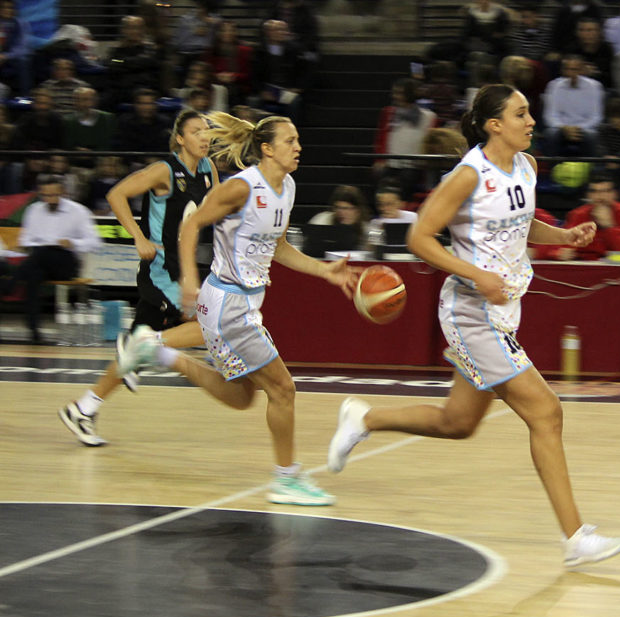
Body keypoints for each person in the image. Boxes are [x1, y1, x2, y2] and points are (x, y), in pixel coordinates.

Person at [327, 84, 620, 568]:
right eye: (521, 113)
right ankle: (575, 538)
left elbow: (523, 223)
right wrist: (475, 274)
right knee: (547, 412)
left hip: (504, 311)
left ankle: (364, 419)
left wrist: (564, 236)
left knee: (458, 423)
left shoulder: (527, 167)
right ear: (495, 125)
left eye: (529, 112)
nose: (531, 121)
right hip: (470, 311)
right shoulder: (468, 175)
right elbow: (419, 237)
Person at [115, 112, 360, 506]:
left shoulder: (288, 187)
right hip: (228, 303)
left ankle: (155, 349)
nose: (298, 147)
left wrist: (323, 271)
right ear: (266, 149)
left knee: (244, 396)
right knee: (283, 389)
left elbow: (277, 247)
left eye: (298, 140)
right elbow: (190, 228)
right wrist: (190, 282)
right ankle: (287, 479)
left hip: (243, 303)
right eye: (290, 141)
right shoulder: (241, 188)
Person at [59, 110, 218, 447]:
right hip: (160, 271)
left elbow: (217, 210)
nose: (204, 136)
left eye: (207, 130)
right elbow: (116, 194)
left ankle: (84, 408)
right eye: (196, 131)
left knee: (135, 353)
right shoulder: (164, 170)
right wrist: (138, 237)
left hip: (186, 266)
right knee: (204, 324)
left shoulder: (208, 170)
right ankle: (143, 347)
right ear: (180, 139)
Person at [1, 174, 101, 344]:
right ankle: (34, 332)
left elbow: (95, 242)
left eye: (54, 195)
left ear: (63, 192)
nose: (50, 199)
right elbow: (26, 240)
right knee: (35, 274)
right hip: (39, 260)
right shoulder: (34, 210)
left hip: (66, 262)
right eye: (46, 195)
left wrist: (72, 243)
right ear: (41, 194)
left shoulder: (78, 211)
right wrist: (41, 244)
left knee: (45, 253)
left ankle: (10, 285)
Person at [550, 171, 620, 260]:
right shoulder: (578, 214)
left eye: (606, 191)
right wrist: (559, 254)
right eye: (595, 192)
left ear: (615, 194)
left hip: (615, 268)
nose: (600, 197)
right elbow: (562, 247)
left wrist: (608, 226)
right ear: (589, 195)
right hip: (585, 266)